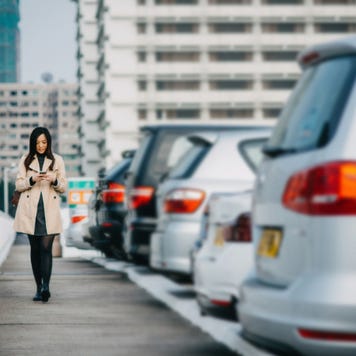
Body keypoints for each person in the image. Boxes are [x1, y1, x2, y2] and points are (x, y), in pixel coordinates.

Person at [13, 127, 67, 302]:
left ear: (48, 142)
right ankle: (38, 288)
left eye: (44, 142)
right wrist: (32, 179)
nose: (41, 146)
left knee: (46, 249)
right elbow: (19, 185)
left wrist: (54, 179)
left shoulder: (57, 160)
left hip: (49, 209)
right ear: (33, 143)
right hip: (30, 210)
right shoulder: (25, 160)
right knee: (35, 250)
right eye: (37, 142)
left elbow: (63, 187)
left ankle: (46, 287)